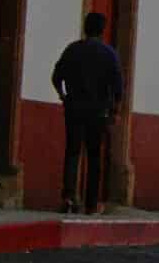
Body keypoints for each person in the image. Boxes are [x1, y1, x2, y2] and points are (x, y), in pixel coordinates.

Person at [51, 12, 124, 215]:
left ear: (85, 28)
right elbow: (118, 86)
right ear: (102, 30)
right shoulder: (109, 54)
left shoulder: (73, 49)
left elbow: (56, 77)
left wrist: (63, 96)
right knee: (94, 157)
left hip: (74, 108)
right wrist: (115, 110)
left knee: (72, 152)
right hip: (98, 112)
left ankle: (68, 197)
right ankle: (91, 204)